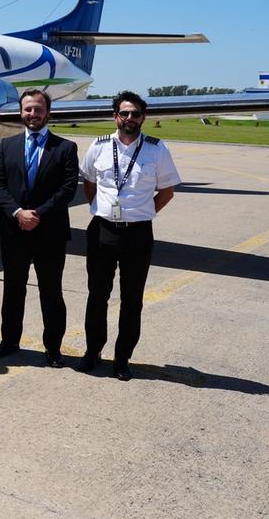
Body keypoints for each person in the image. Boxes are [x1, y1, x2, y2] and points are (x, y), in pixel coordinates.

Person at [78, 91, 180, 381]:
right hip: (102, 231)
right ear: (115, 117)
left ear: (143, 118)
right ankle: (92, 351)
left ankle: (122, 358)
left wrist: (143, 212)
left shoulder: (157, 150)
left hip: (138, 234)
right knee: (97, 295)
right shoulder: (98, 147)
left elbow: (167, 191)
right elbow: (89, 183)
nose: (130, 118)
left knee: (132, 299)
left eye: (136, 114)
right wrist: (101, 210)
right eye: (125, 113)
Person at [0, 89, 79, 368]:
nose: (33, 114)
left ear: (48, 113)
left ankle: (53, 347)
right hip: (14, 230)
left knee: (51, 291)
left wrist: (36, 214)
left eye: (38, 109)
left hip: (49, 231)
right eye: (28, 109)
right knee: (13, 289)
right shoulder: (7, 146)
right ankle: (9, 340)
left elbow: (67, 190)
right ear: (21, 112)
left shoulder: (65, 148)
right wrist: (18, 213)